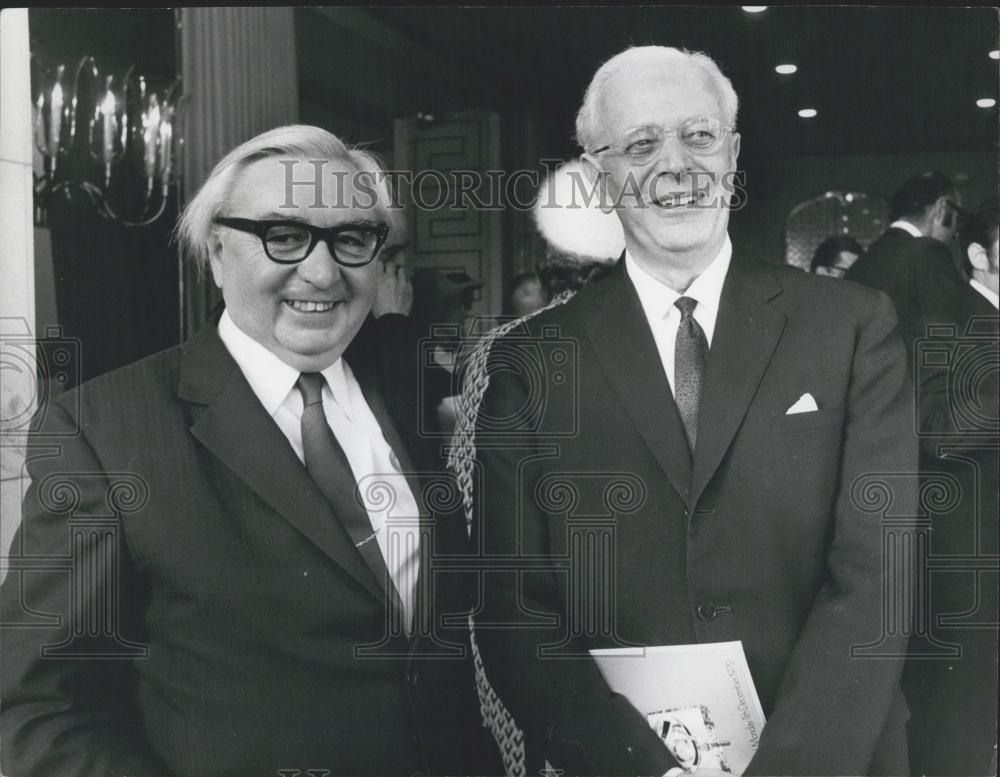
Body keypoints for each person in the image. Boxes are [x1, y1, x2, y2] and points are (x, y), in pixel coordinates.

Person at [469, 46, 916, 776]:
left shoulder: (852, 325)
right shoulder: (533, 360)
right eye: (642, 143)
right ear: (598, 174)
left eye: (699, 135)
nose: (676, 165)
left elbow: (877, 578)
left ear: (733, 154)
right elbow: (514, 609)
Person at [0, 125, 494, 777]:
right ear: (215, 250)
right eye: (283, 236)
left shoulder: (405, 390)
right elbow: (35, 710)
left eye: (350, 238)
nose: (321, 272)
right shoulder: (105, 431)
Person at [902, 199, 999, 777]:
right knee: (960, 741)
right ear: (979, 255)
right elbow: (938, 430)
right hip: (974, 577)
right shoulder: (945, 320)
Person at [845, 172, 967, 359]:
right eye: (957, 218)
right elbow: (955, 339)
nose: (955, 233)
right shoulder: (928, 254)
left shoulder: (862, 264)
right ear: (941, 208)